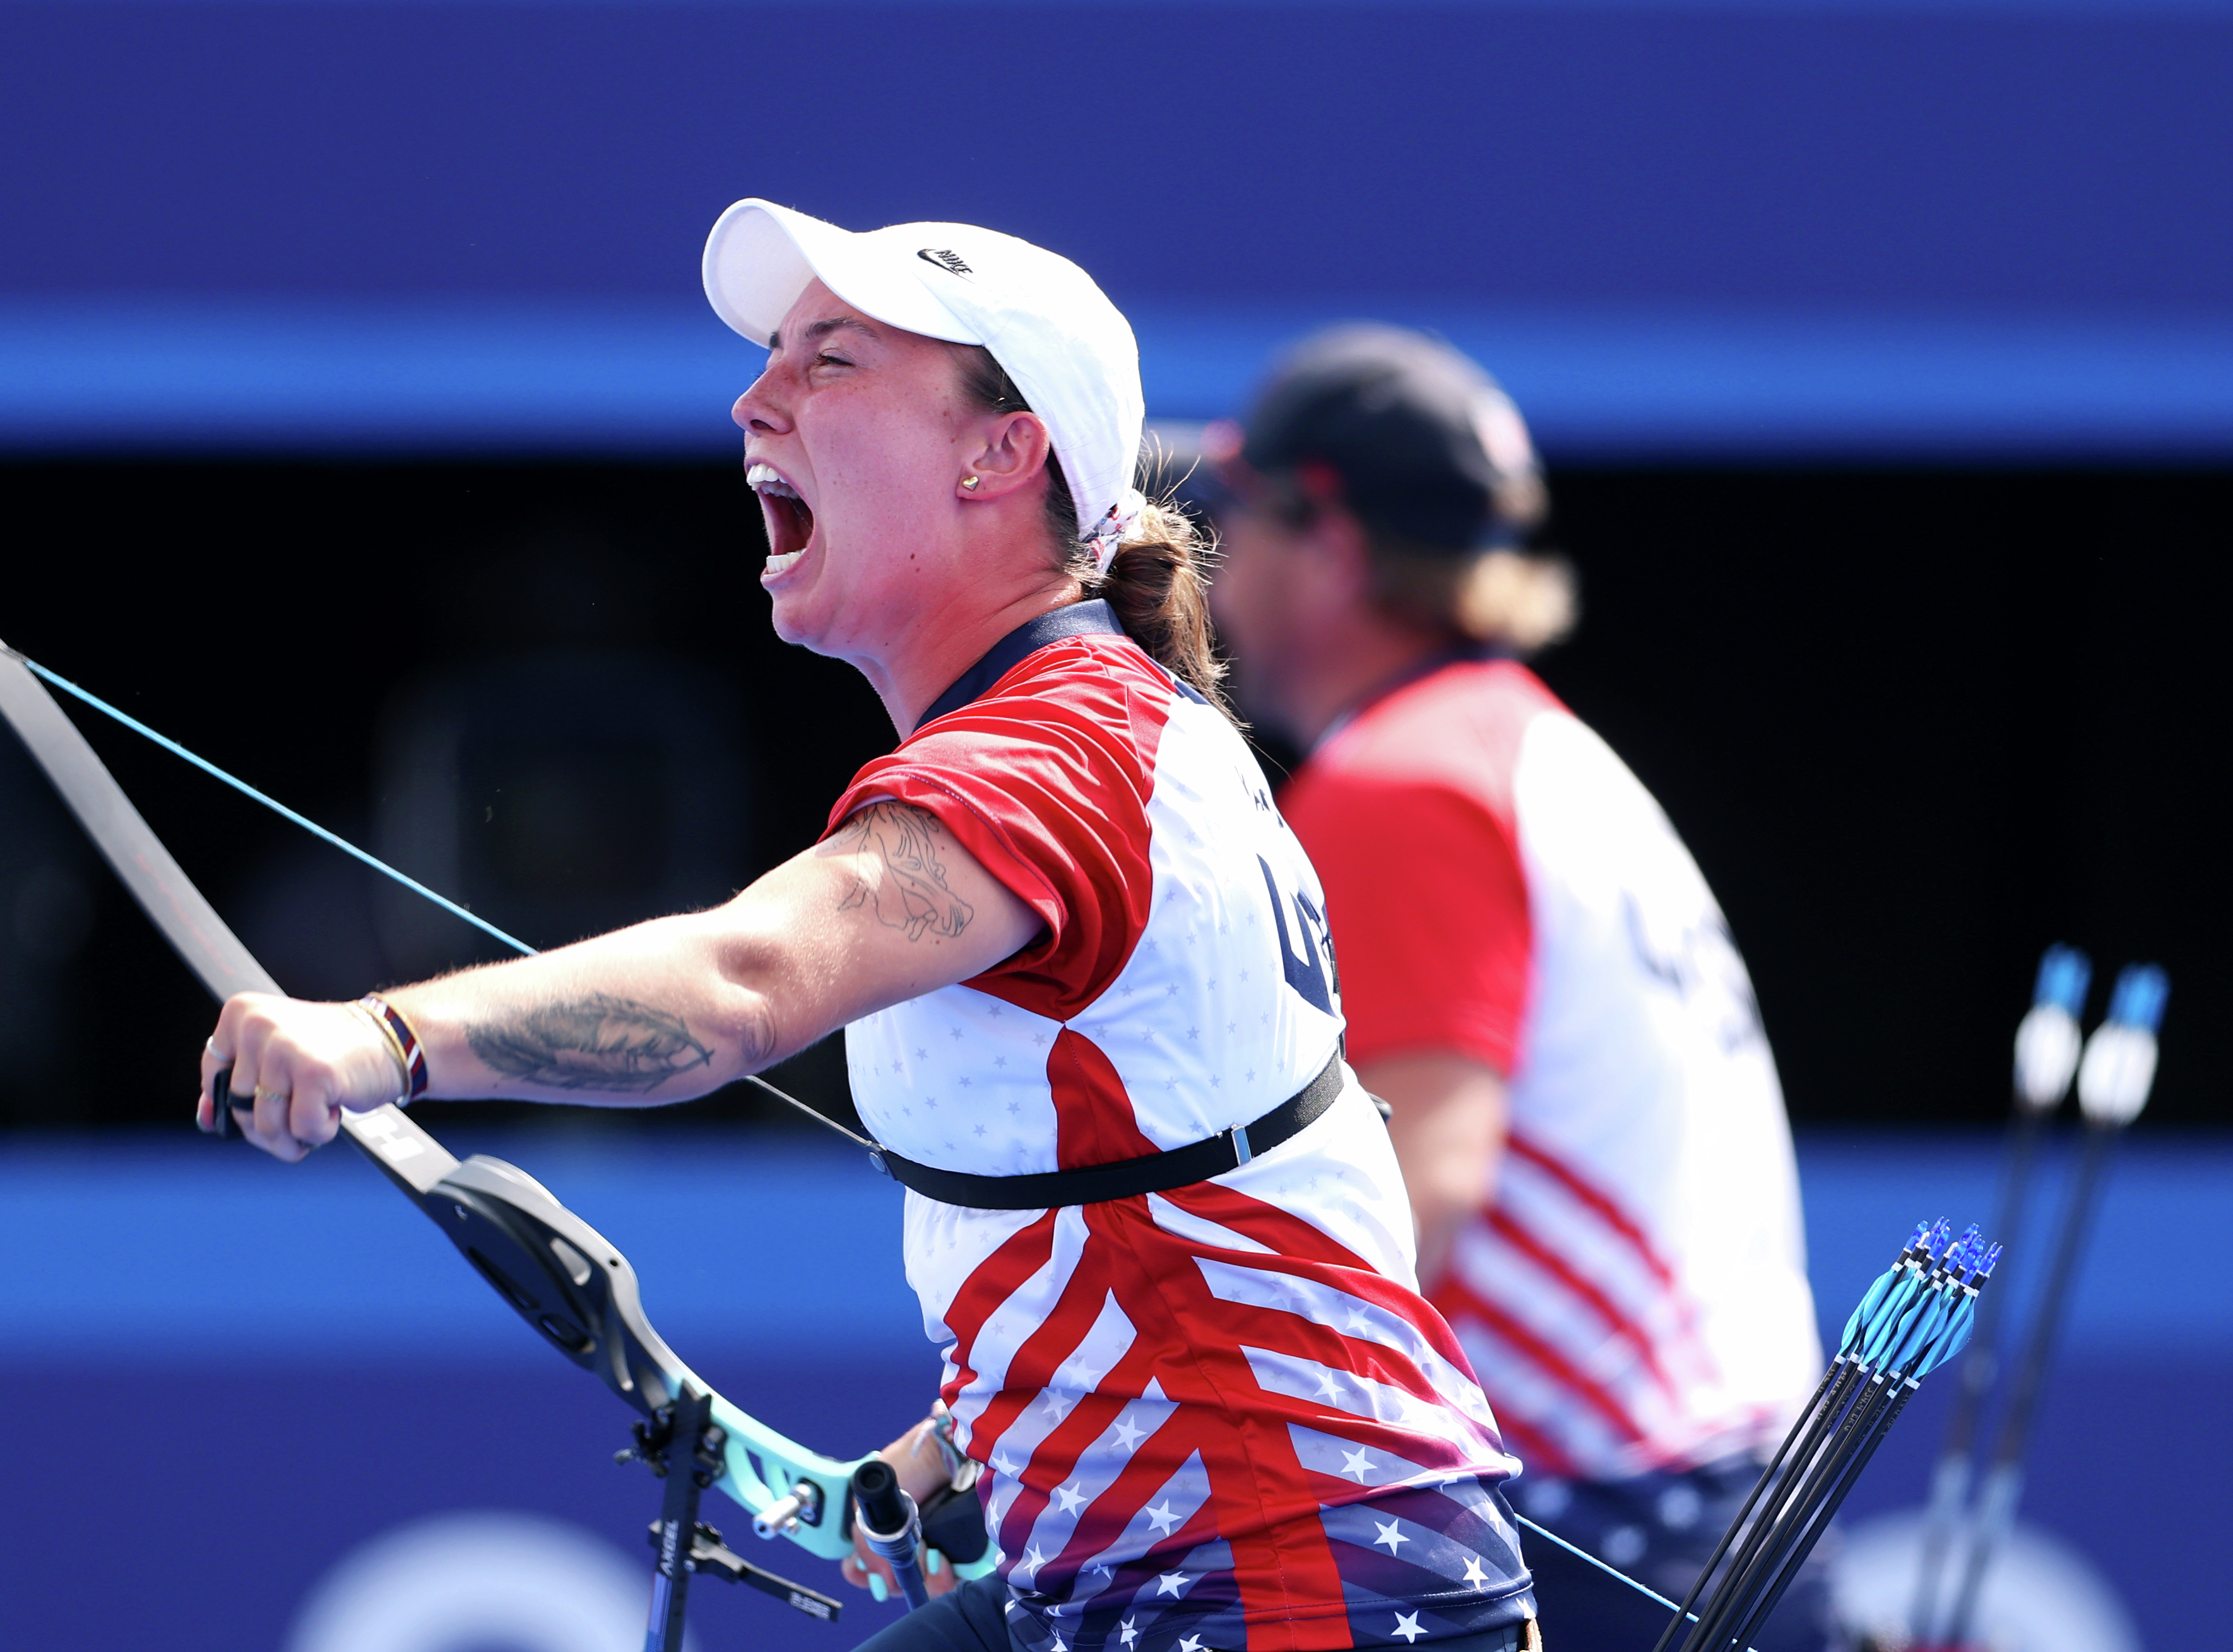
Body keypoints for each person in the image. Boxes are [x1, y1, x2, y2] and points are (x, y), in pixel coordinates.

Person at [196, 209, 1540, 1651]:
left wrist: (383, 1037)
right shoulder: (1111, 721)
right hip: (1186, 1566)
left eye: (829, 362)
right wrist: (971, 1442)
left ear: (997, 453)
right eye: (771, 359)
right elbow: (1181, 1169)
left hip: (1279, 1589)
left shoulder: (1060, 744)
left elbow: (741, 984)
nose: (753, 400)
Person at [1194, 324, 1830, 1649]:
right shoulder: (1528, 745)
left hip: (1606, 1540)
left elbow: (1410, 1199)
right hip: (1711, 1517)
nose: (1212, 564)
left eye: (1236, 517)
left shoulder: (1403, 777)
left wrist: (1166, 1416)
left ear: (1335, 547)